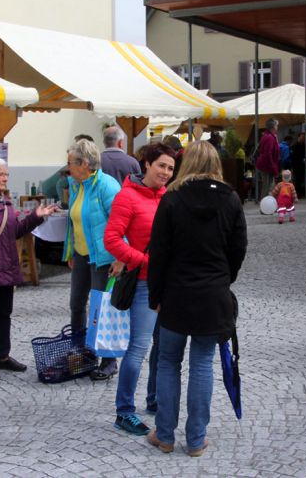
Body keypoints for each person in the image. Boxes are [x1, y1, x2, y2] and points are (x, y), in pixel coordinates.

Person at [146, 141, 247, 457]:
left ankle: (164, 435)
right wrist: (224, 279)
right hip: (212, 294)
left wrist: (155, 295)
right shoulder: (230, 199)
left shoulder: (172, 198)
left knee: (168, 361)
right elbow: (239, 249)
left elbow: (158, 252)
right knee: (202, 363)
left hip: (175, 294)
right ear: (217, 164)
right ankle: (195, 439)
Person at [103, 143, 176, 436]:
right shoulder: (127, 196)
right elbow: (112, 239)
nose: (165, 172)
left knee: (163, 346)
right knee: (138, 347)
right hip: (145, 283)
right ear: (146, 164)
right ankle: (124, 411)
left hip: (168, 284)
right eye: (161, 166)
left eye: (170, 168)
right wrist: (143, 261)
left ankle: (154, 398)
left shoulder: (168, 197)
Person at [0, 157, 58, 381]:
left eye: (6, 174)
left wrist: (36, 218)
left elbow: (14, 231)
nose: (6, 178)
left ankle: (3, 357)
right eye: (1, 174)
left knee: (5, 314)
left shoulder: (3, 199)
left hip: (6, 264)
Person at [62, 139, 122, 381]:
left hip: (103, 257)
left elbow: (121, 223)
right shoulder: (76, 185)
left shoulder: (107, 186)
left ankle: (109, 360)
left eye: (70, 163)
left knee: (101, 307)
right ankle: (81, 354)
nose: (67, 168)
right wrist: (70, 251)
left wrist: (120, 257)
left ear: (84, 164)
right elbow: (73, 222)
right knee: (77, 304)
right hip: (82, 254)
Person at [255, 118, 280, 197]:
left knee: (268, 187)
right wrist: (273, 168)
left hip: (266, 165)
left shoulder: (269, 136)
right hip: (267, 165)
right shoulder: (269, 137)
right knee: (267, 187)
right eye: (277, 126)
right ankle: (264, 203)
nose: (277, 127)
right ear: (273, 127)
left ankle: (266, 202)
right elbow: (268, 154)